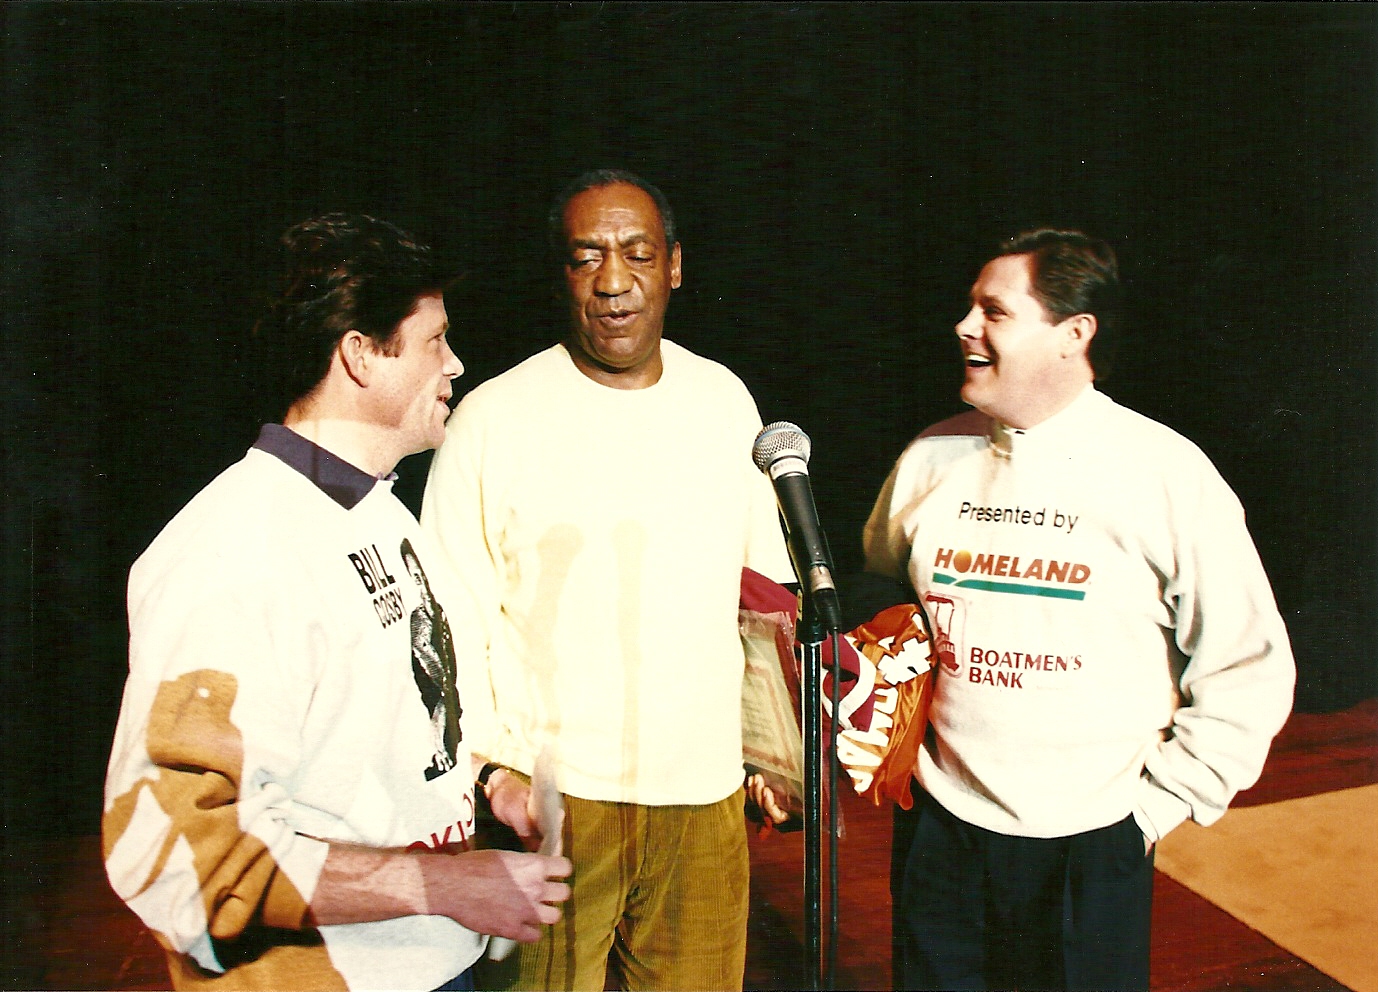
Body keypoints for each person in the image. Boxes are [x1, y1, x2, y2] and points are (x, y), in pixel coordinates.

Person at [102, 213, 571, 992]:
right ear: (359, 353)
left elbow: (382, 730)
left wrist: (489, 783)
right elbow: (173, 851)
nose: (455, 364)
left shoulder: (380, 513)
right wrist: (447, 886)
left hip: (434, 964)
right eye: (433, 341)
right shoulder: (233, 550)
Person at [863, 229, 1296, 992]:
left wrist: (1158, 808)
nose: (965, 327)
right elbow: (882, 604)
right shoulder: (929, 460)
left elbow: (1249, 664)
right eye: (969, 307)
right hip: (942, 833)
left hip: (1093, 842)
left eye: (993, 311)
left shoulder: (1164, 472)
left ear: (1073, 333)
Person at [420, 170, 794, 990]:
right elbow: (451, 616)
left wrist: (772, 753)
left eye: (636, 254)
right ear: (562, 273)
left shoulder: (724, 398)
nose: (614, 282)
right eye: (588, 257)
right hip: (557, 808)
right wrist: (493, 772)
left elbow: (761, 594)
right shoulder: (493, 416)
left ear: (675, 266)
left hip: (703, 799)